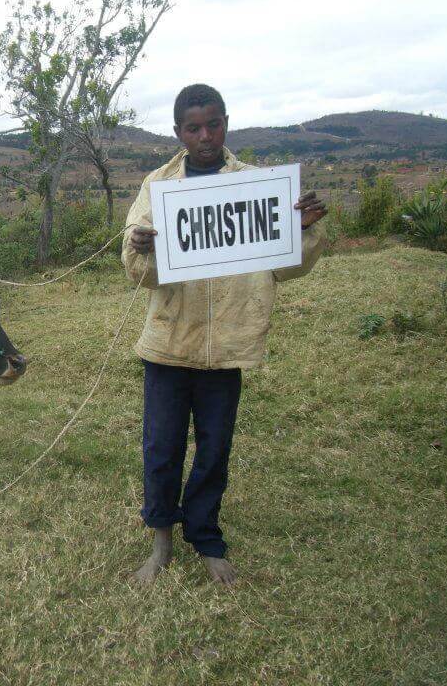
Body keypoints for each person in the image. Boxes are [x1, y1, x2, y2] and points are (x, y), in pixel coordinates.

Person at [121, 84, 328, 585]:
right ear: (178, 133)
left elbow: (286, 268)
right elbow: (137, 273)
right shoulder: (158, 187)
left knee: (214, 449)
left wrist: (305, 231)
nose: (205, 135)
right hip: (169, 343)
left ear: (226, 124)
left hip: (228, 345)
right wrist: (142, 247)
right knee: (162, 448)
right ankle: (161, 541)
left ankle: (207, 539)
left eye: (213, 124)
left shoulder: (257, 187)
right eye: (193, 127)